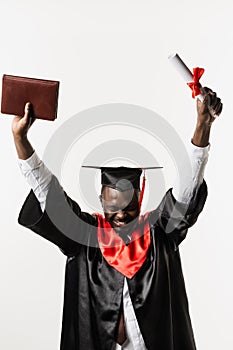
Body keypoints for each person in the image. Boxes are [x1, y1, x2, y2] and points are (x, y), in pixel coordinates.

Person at [12, 87, 222, 350]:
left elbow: (185, 192)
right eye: (113, 205)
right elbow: (49, 194)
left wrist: (203, 125)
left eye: (129, 205)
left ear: (140, 199)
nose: (121, 213)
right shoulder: (85, 236)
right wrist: (20, 139)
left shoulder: (158, 232)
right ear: (101, 200)